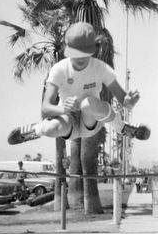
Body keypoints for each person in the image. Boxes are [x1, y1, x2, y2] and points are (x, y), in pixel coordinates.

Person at [8, 22, 150, 145]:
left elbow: (123, 100)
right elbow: (45, 108)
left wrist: (129, 102)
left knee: (87, 103)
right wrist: (64, 108)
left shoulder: (100, 68)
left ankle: (123, 128)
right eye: (76, 54)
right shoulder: (59, 69)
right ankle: (36, 130)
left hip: (90, 122)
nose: (80, 59)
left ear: (92, 50)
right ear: (68, 50)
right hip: (66, 122)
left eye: (84, 54)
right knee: (50, 128)